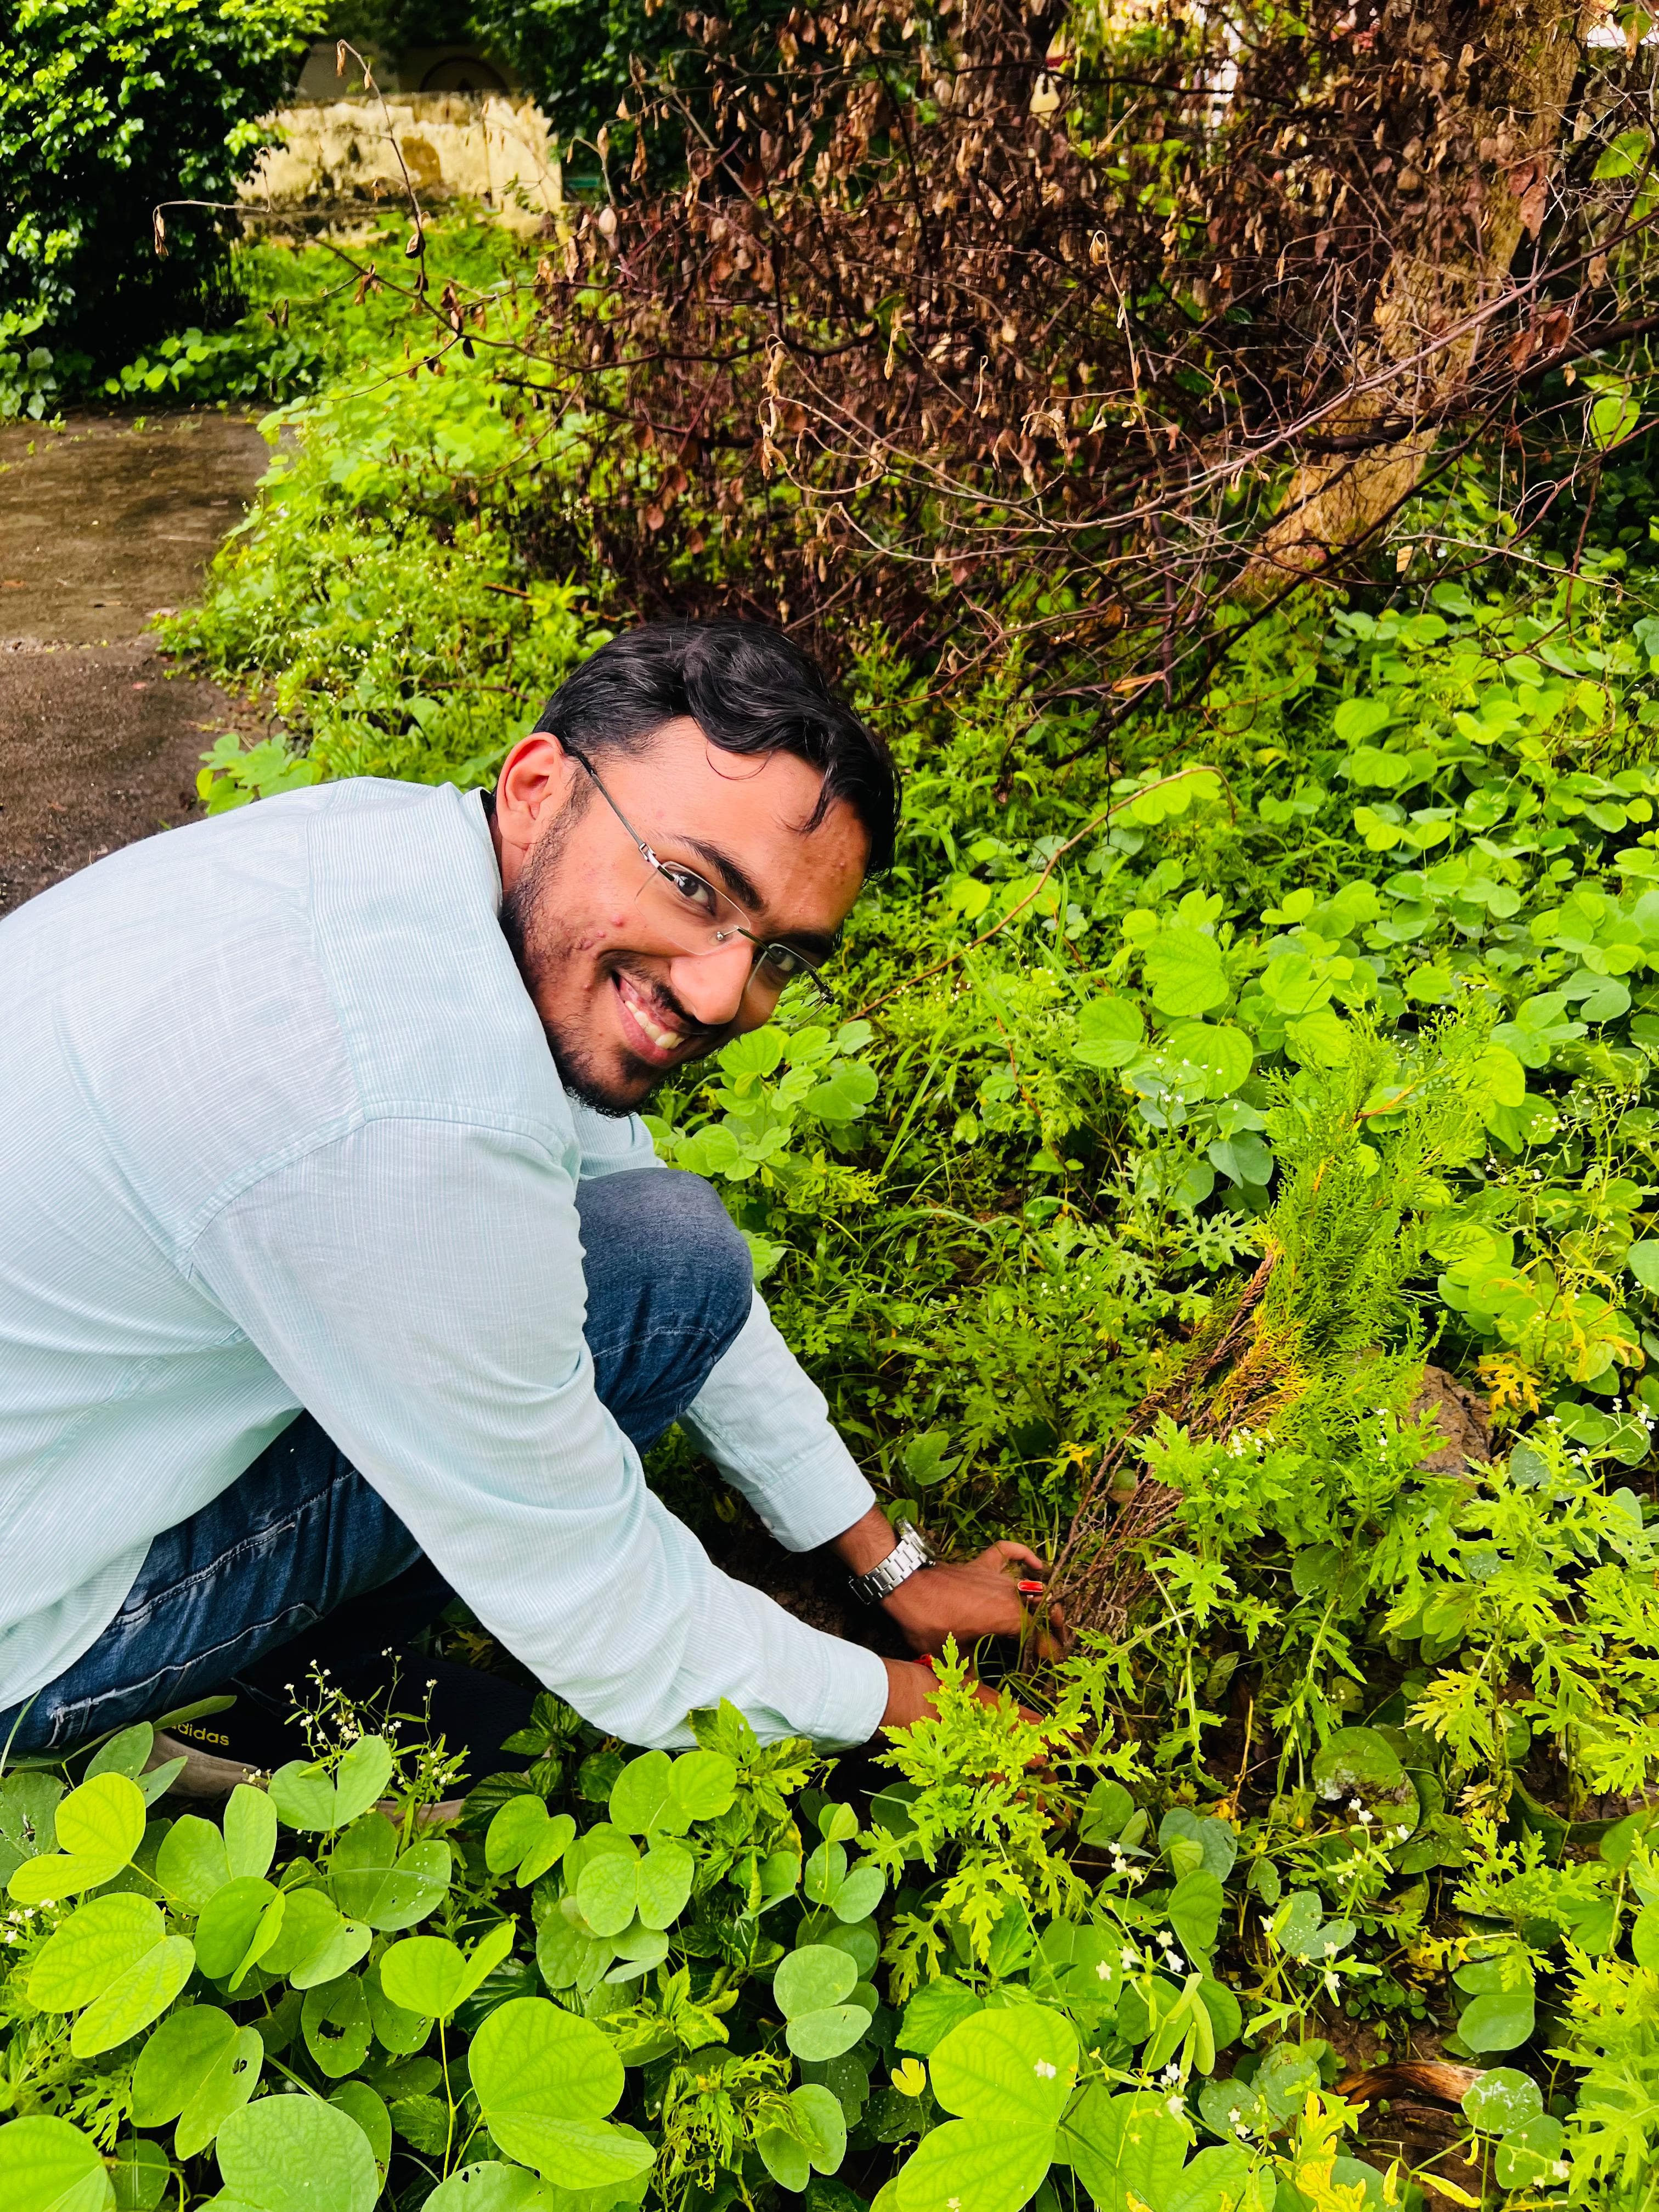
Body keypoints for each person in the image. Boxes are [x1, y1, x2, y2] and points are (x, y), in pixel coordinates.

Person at [0, 622, 1046, 1772]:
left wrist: (883, 1564)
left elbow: (648, 1214)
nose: (721, 992)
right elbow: (592, 1589)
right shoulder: (404, 1111)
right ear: (541, 787)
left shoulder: (403, 856)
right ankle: (288, 1708)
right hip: (35, 1631)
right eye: (694, 885)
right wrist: (912, 1706)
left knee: (672, 1248)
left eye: (781, 953)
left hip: (62, 1445)